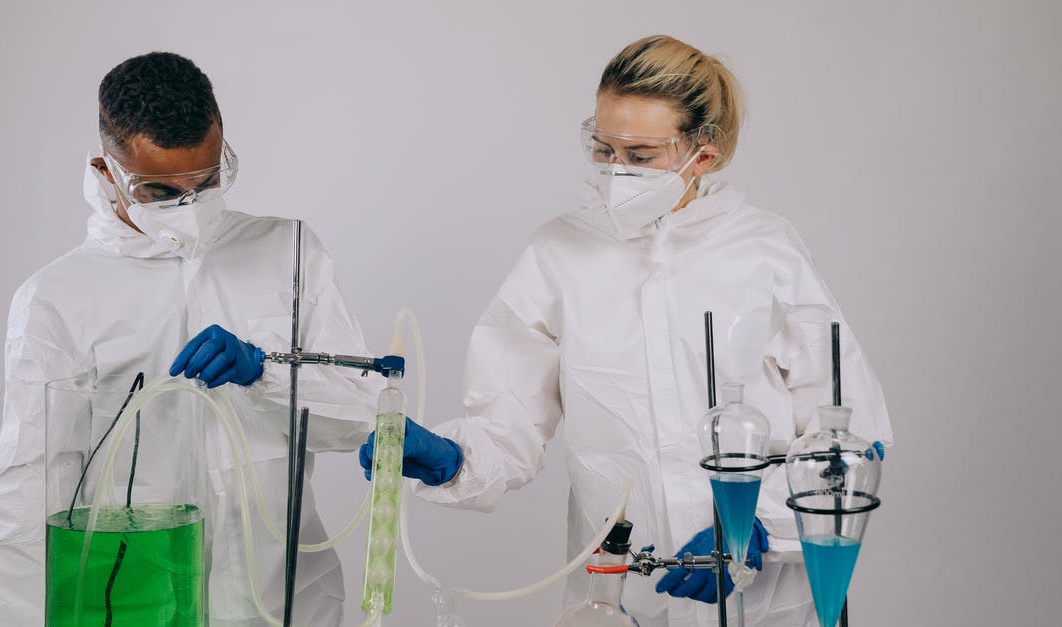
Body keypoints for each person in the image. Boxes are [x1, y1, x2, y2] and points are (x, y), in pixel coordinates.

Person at [359, 35, 892, 626]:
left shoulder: (765, 251)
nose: (617, 171)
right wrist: (452, 457)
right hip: (621, 592)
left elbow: (848, 437)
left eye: (640, 156)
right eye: (603, 148)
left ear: (703, 153)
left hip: (769, 601)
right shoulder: (560, 252)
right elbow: (507, 427)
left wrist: (758, 525)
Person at [0, 51, 378, 626]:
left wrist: (266, 374)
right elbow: (26, 491)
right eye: (159, 191)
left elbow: (363, 418)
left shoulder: (287, 254)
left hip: (287, 603)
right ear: (105, 170)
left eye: (207, 180)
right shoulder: (58, 299)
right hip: (137, 602)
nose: (188, 207)